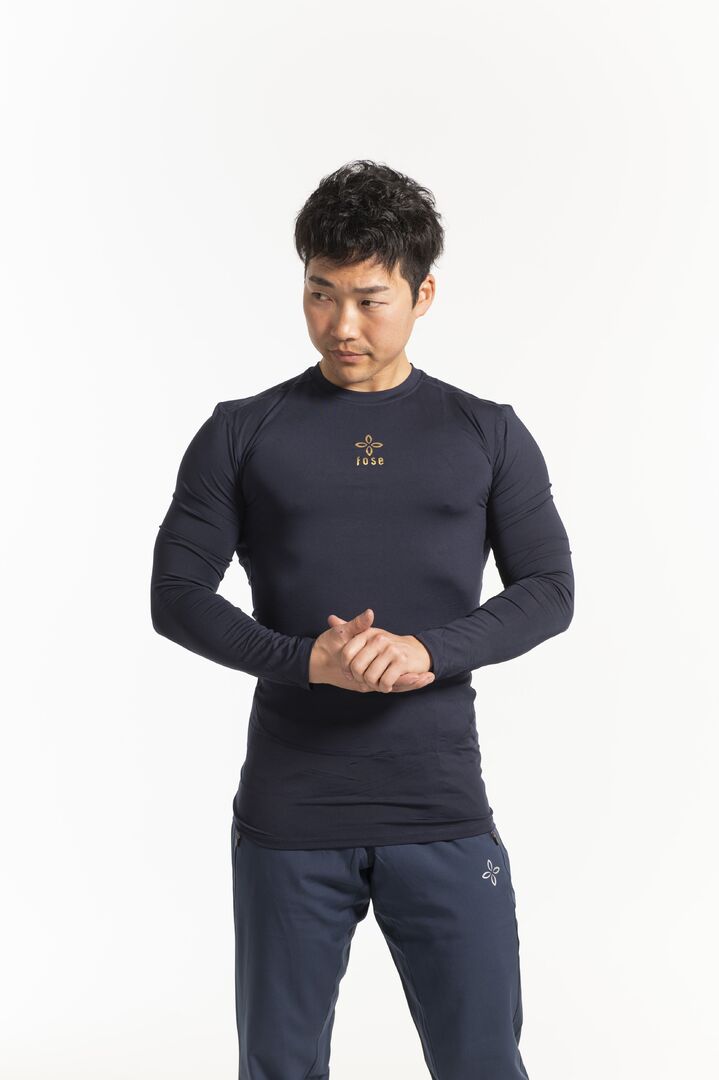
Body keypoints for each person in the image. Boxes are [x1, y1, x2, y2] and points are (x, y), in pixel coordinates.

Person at [150, 159, 574, 1080]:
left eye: (369, 300)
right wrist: (306, 661)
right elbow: (175, 594)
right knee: (279, 1067)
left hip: (441, 806)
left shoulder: (487, 431)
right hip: (290, 814)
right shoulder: (241, 430)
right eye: (320, 294)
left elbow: (548, 589)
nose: (341, 325)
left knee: (481, 1063)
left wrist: (428, 649)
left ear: (422, 294)